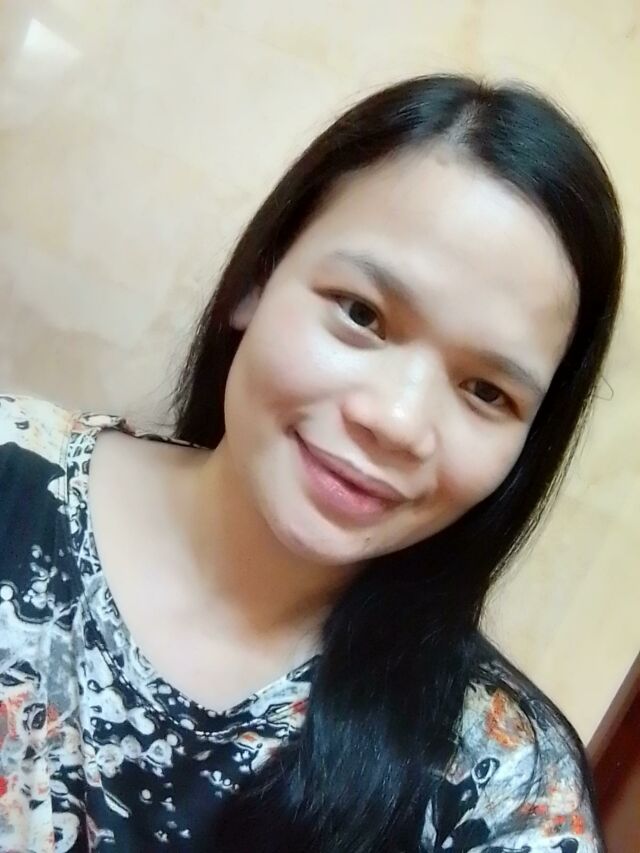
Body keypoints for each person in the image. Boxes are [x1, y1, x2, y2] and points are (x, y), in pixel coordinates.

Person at [0, 73, 623, 852]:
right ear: (257, 278)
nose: (396, 421)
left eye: (486, 391)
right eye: (362, 313)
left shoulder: (505, 789)